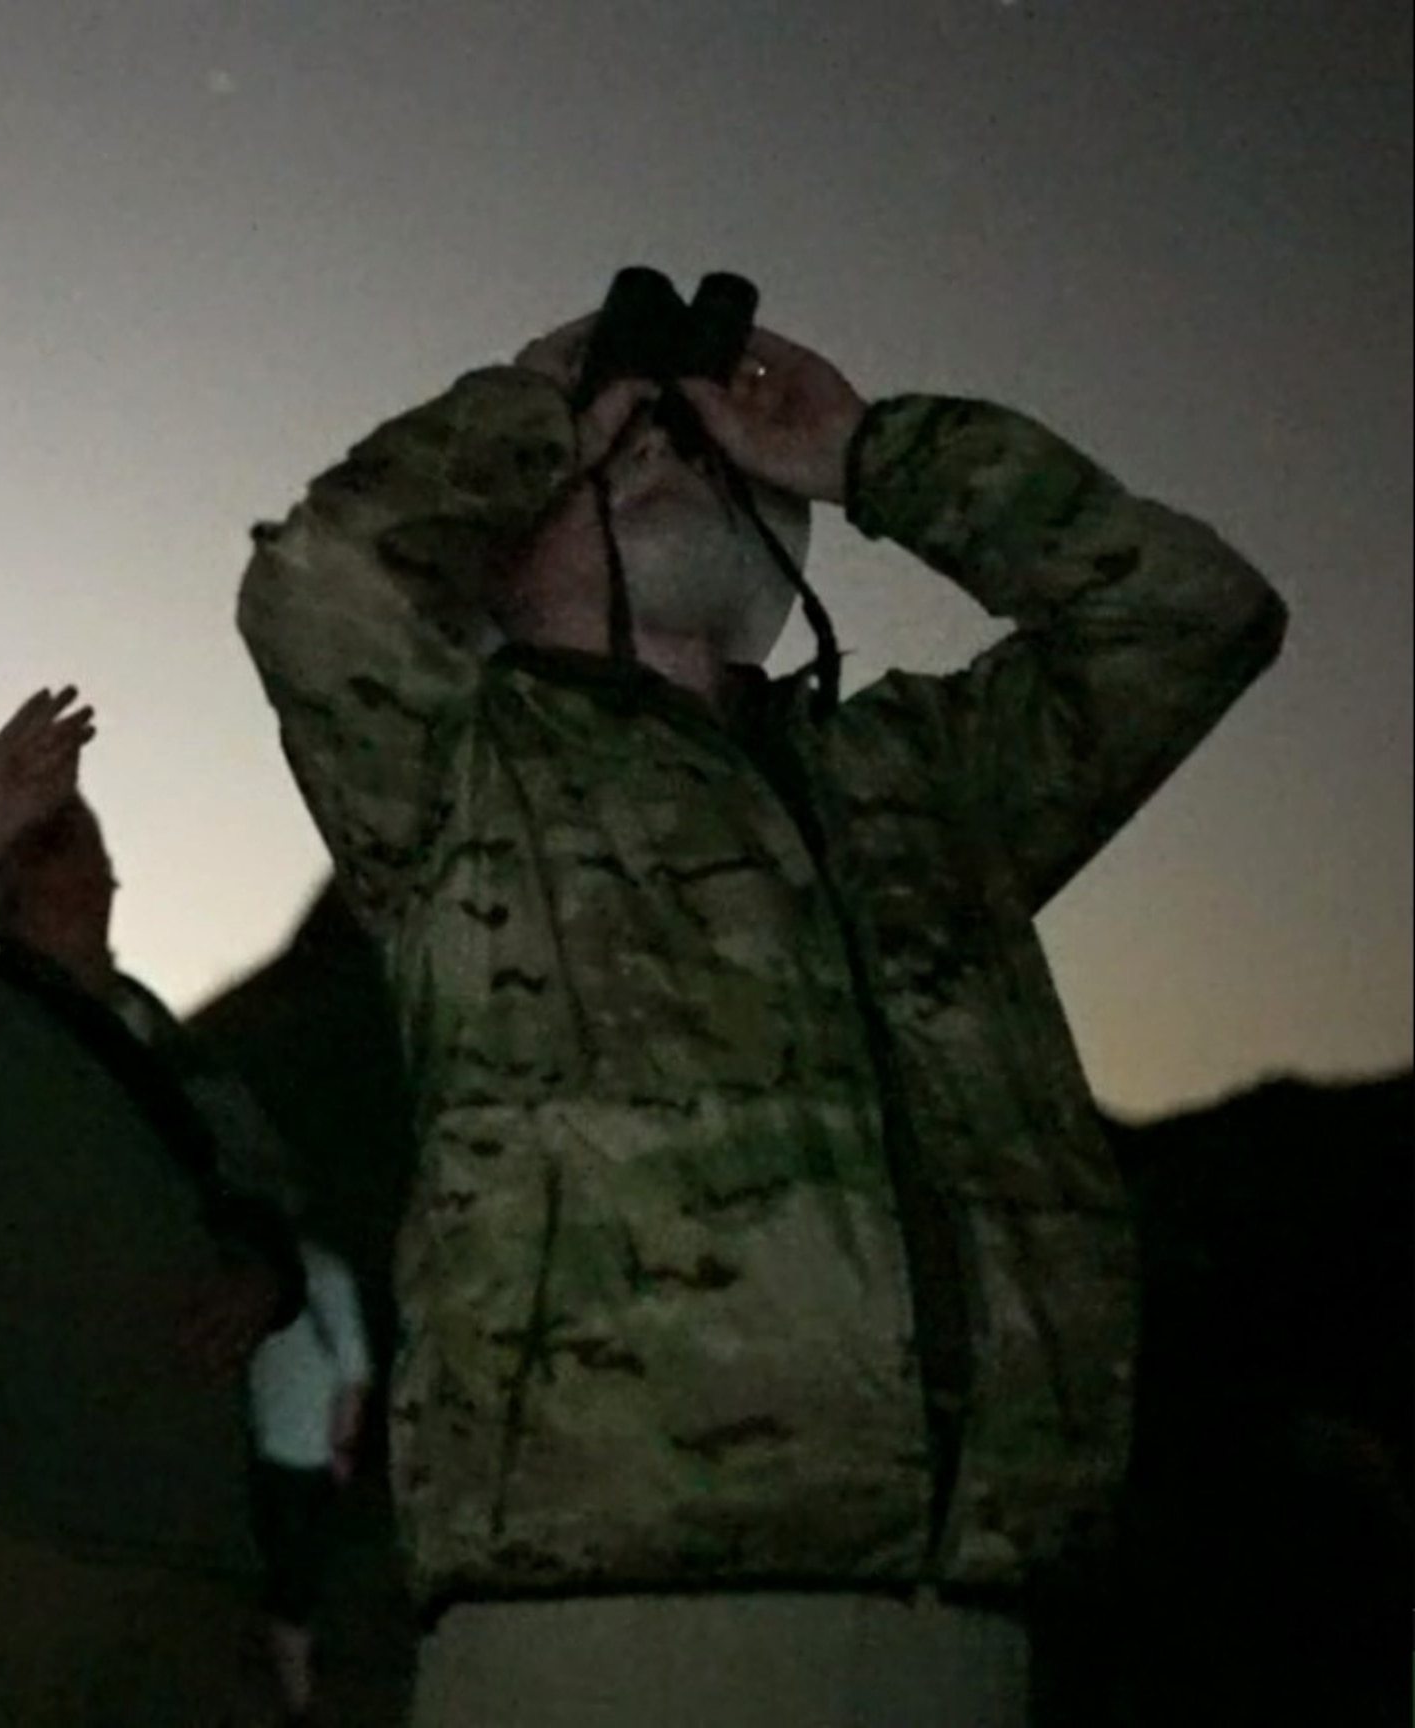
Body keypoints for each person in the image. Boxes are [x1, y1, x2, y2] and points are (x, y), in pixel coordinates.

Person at [233, 288, 1288, 1727]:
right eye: (616, 445)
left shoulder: (920, 781)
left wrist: (871, 455)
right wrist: (539, 403)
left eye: (689, 432)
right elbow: (320, 584)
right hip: (608, 1635)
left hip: (959, 1634)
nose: (656, 444)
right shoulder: (466, 776)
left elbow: (1190, 616)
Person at [0, 688, 306, 1728]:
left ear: (109, 876)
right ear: (5, 885)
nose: (60, 853)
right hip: (23, 1534)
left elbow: (273, 1199)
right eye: (37, 841)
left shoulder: (179, 1049)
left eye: (73, 836)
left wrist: (261, 1273)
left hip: (197, 1539)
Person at [247, 1235, 372, 1726]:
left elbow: (354, 1374)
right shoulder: (254, 1267)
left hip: (306, 1457)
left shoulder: (325, 1276)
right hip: (268, 1447)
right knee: (289, 1566)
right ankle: (295, 1656)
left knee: (293, 1582)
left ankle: (299, 1704)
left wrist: (342, 1449)